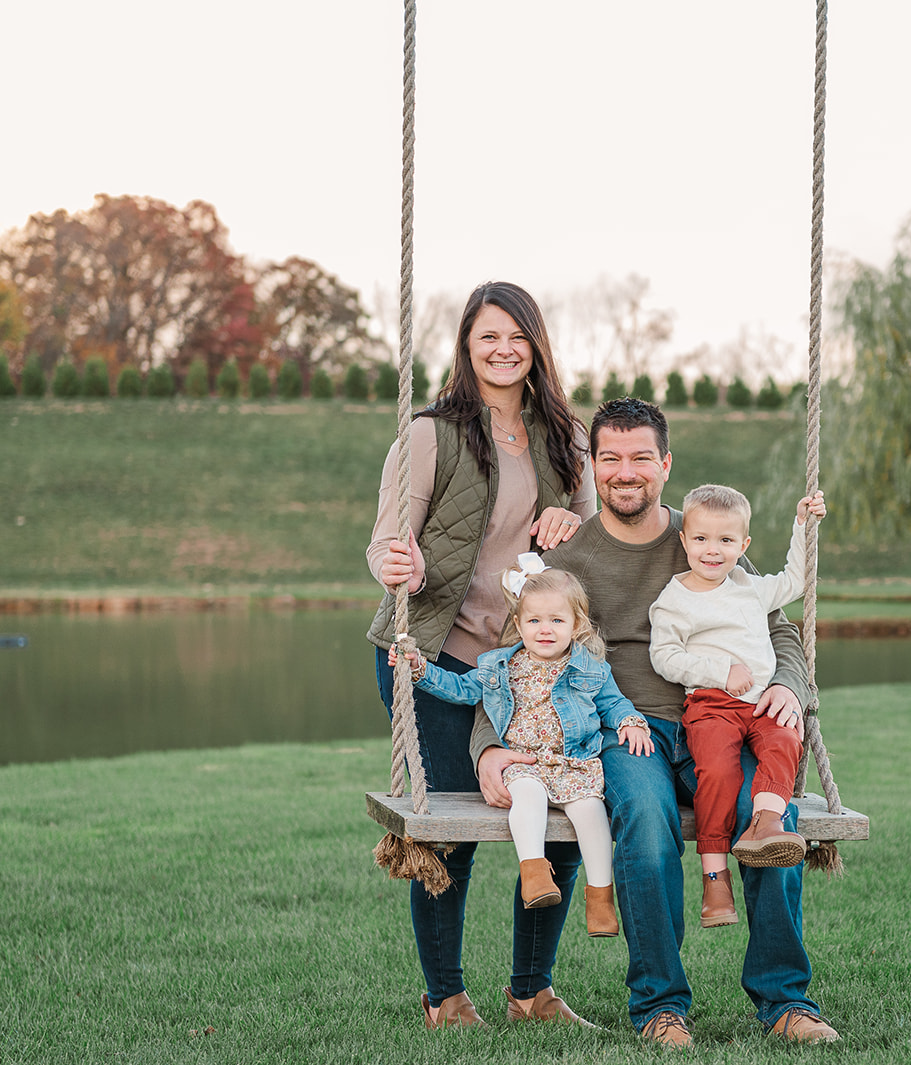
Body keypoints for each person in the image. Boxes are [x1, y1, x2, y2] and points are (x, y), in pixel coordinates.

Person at [472, 398, 840, 1046]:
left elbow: (774, 626)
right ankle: (660, 1006)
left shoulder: (704, 537)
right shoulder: (572, 558)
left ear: (664, 464)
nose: (625, 470)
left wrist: (788, 682)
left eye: (641, 456)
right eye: (610, 457)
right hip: (625, 729)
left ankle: (786, 1000)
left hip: (721, 719)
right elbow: (512, 657)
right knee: (644, 819)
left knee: (769, 811)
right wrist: (489, 749)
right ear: (592, 467)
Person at [367, 281, 595, 1029]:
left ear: (536, 345)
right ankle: (446, 996)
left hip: (529, 667)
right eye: (487, 336)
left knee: (564, 808)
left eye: (516, 336)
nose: (502, 350)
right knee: (456, 827)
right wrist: (404, 567)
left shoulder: (565, 437)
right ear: (466, 344)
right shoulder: (432, 433)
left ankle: (531, 990)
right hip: (437, 656)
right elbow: (385, 543)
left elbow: (590, 548)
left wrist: (573, 519)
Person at [391, 557, 654, 940]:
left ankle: (599, 897)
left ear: (576, 625)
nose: (545, 630)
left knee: (592, 814)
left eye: (556, 621)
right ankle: (534, 872)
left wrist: (630, 722)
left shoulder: (590, 668)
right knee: (527, 797)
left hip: (572, 763)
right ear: (518, 625)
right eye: (534, 621)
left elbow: (613, 703)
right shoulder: (499, 666)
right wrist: (420, 670)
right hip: (524, 762)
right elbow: (460, 689)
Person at [648, 484, 828, 929]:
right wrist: (719, 670)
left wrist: (802, 525)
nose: (713, 551)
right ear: (684, 540)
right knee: (720, 773)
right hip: (711, 705)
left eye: (726, 541)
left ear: (743, 546)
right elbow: (664, 657)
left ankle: (766, 825)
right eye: (703, 539)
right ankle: (715, 876)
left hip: (759, 703)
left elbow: (796, 581)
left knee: (786, 737)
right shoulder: (675, 599)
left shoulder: (748, 587)